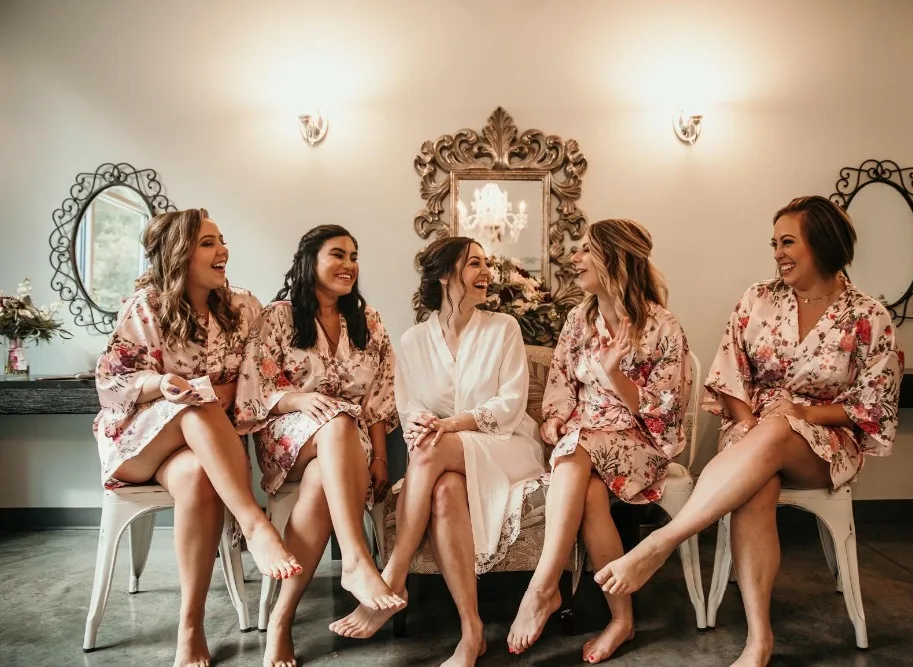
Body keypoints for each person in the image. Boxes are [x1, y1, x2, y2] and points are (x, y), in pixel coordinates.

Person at [595, 196, 903, 667]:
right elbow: (729, 375)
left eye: (788, 242)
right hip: (750, 430)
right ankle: (759, 641)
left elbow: (874, 403)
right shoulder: (758, 299)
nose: (777, 253)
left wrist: (801, 412)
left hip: (825, 444)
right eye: (774, 243)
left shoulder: (868, 315)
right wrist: (749, 426)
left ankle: (662, 541)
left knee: (777, 430)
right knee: (757, 486)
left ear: (822, 243)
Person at [94, 208, 300, 667]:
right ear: (179, 253)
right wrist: (161, 385)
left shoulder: (244, 307)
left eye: (221, 240)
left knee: (197, 476)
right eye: (208, 243)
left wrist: (214, 392)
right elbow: (111, 381)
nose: (222, 250)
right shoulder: (145, 306)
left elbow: (261, 377)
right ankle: (254, 523)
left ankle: (191, 625)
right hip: (139, 444)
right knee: (196, 400)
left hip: (204, 451)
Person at [332, 236, 545, 667]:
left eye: (486, 264)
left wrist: (448, 425)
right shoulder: (413, 341)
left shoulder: (503, 328)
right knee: (444, 490)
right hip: (445, 453)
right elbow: (409, 408)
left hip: (507, 445)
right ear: (446, 275)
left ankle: (393, 577)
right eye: (474, 264)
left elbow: (510, 404)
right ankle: (472, 631)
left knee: (430, 452)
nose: (486, 273)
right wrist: (425, 425)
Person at [507, 218, 692, 664]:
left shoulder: (663, 326)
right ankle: (622, 620)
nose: (575, 258)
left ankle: (542, 587)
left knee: (577, 447)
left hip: (640, 442)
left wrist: (614, 373)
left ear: (616, 258)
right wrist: (554, 419)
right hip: (584, 442)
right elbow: (561, 382)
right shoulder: (579, 318)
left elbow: (665, 411)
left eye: (586, 250)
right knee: (588, 487)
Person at [234, 224, 400, 667]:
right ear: (310, 261)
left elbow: (379, 399)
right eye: (337, 255)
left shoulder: (369, 322)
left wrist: (382, 458)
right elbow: (253, 390)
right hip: (287, 434)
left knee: (322, 475)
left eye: (354, 256)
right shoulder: (278, 317)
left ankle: (281, 620)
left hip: (349, 445)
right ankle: (356, 559)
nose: (349, 264)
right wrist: (300, 399)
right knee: (337, 421)